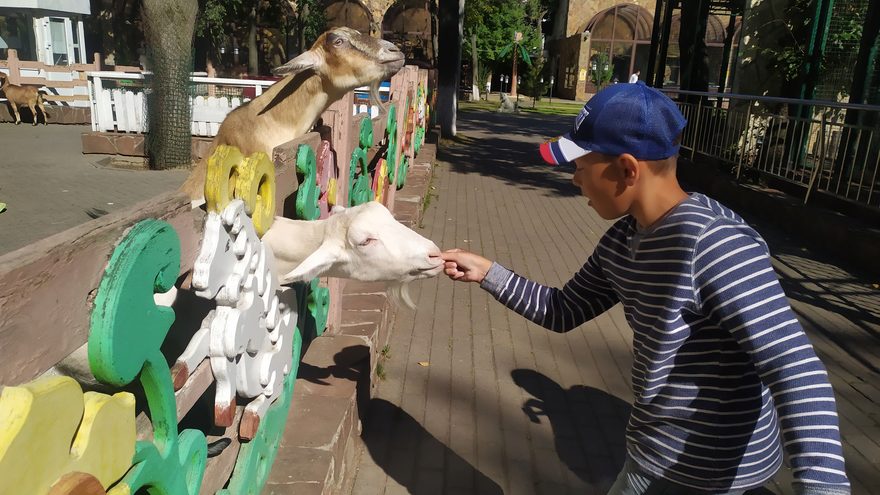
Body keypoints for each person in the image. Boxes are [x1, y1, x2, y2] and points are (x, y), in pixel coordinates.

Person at [440, 82, 850, 495]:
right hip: (650, 451)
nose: (574, 180)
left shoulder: (714, 244)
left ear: (627, 169)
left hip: (712, 475)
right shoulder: (623, 240)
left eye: (580, 166)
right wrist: (489, 273)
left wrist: (823, 486)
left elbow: (795, 368)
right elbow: (562, 310)